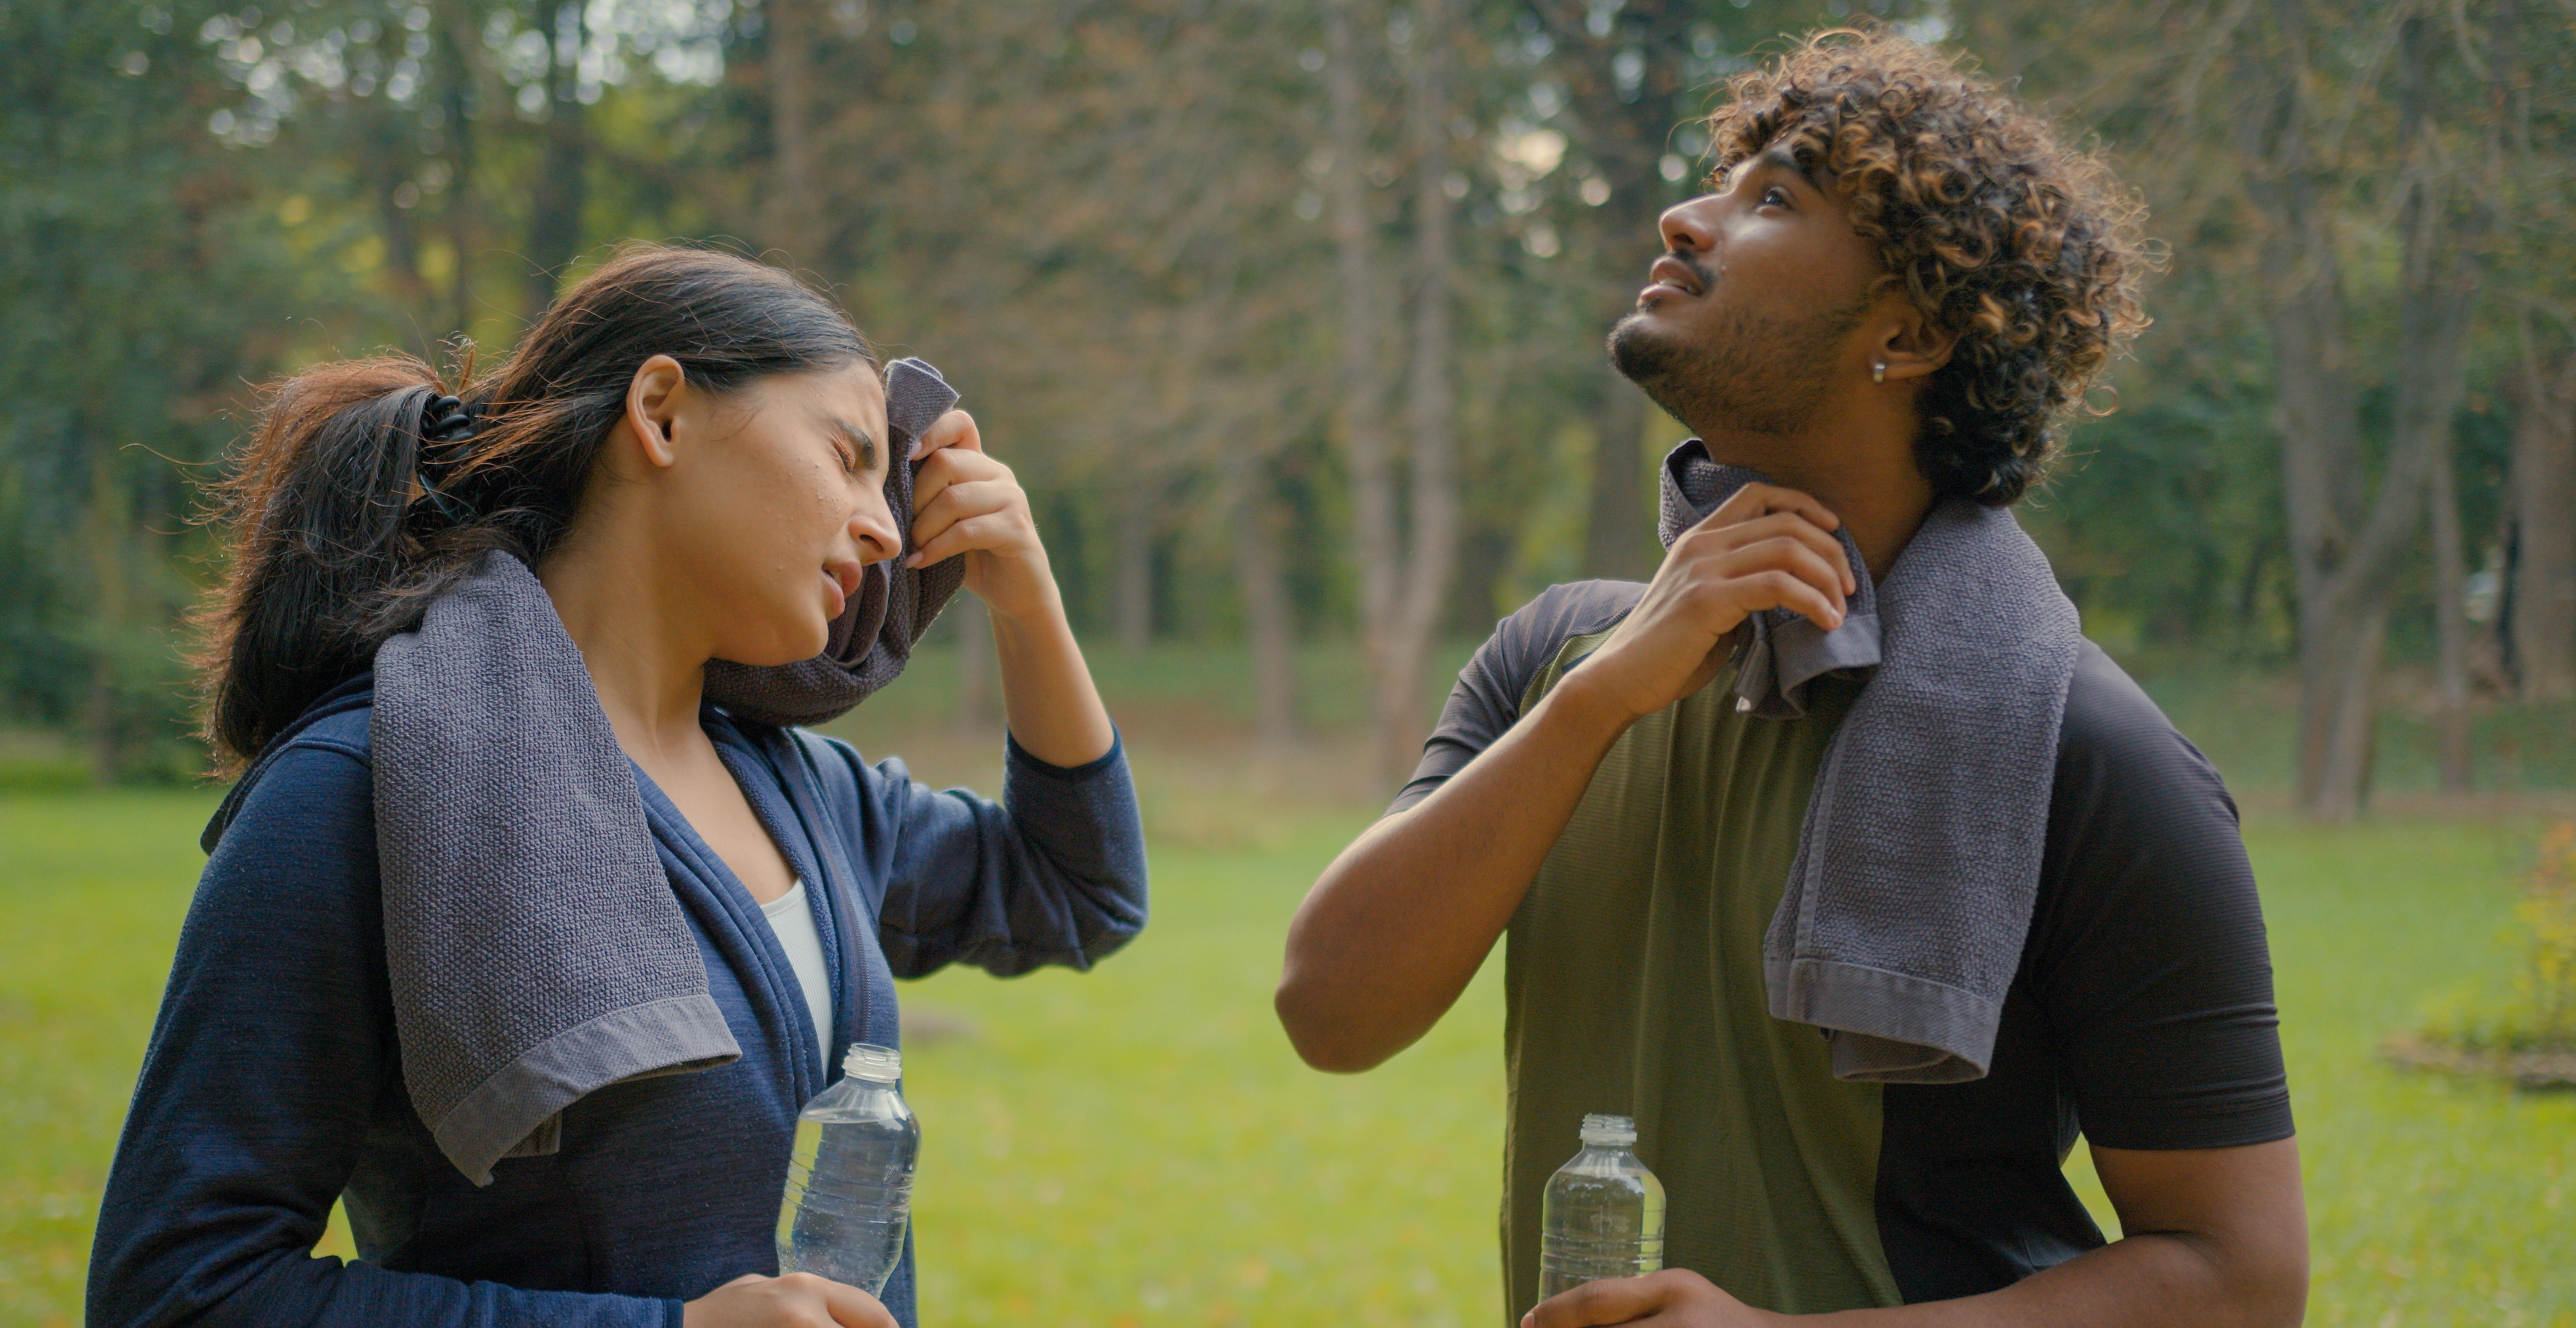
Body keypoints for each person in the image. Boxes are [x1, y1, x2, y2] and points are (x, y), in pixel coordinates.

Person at [1275, 31, 2306, 1328]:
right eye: (1725, 178)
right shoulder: (1554, 661)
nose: (1687, 217)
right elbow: (1332, 1010)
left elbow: (2243, 1277)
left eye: (1775, 200)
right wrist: (1600, 698)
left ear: (1913, 332)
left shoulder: (2084, 753)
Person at [88, 245, 1147, 1328]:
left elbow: (1079, 891)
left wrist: (1029, 603)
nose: (885, 530)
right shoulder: (369, 787)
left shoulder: (797, 790)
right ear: (663, 413)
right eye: (846, 456)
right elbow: (177, 1291)